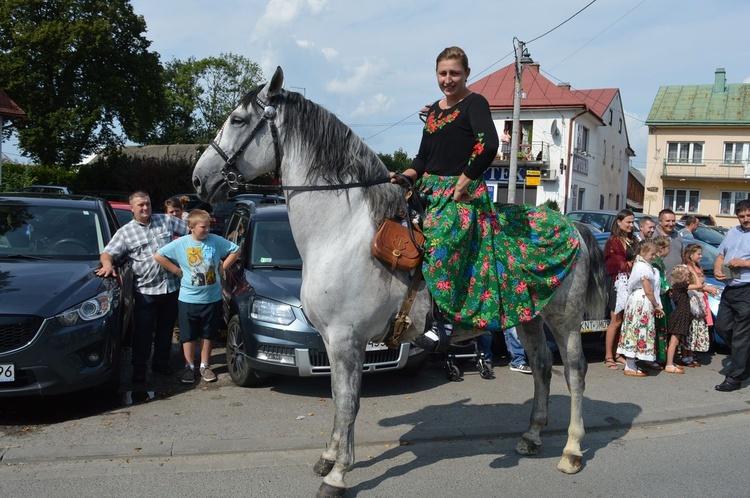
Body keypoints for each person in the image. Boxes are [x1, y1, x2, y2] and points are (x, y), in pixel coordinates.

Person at [390, 46, 579, 352]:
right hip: (428, 191)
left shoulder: (474, 103)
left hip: (461, 196)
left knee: (440, 242)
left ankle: (445, 324)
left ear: (466, 73)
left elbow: (489, 144)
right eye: (442, 73)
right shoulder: (435, 111)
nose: (448, 79)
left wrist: (465, 181)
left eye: (454, 73)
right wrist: (405, 176)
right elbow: (423, 158)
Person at [95, 191, 189, 383]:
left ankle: (161, 364)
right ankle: (139, 369)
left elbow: (191, 231)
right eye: (141, 205)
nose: (145, 208)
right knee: (143, 335)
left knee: (166, 330)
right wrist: (106, 265)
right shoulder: (125, 232)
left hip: (171, 288)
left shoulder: (166, 221)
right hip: (146, 292)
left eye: (147, 203)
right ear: (132, 208)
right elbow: (108, 253)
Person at [154, 209, 239, 384]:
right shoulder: (181, 244)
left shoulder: (215, 241)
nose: (207, 230)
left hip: (212, 297)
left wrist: (223, 268)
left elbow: (235, 250)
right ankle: (189, 367)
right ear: (191, 227)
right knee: (188, 334)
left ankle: (205, 365)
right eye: (203, 227)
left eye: (208, 226)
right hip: (188, 299)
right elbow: (159, 255)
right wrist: (177, 271)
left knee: (208, 334)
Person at [713, 199, 750, 392]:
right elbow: (720, 255)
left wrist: (743, 264)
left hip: (747, 289)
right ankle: (744, 358)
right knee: (722, 327)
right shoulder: (733, 231)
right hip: (730, 288)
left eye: (748, 216)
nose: (745, 219)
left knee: (741, 335)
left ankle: (735, 377)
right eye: (741, 216)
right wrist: (718, 269)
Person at [616, 240, 664, 377]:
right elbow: (648, 290)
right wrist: (656, 305)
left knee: (637, 329)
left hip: (640, 300)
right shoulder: (642, 267)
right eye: (652, 254)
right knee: (636, 329)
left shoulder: (642, 265)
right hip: (641, 300)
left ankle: (631, 364)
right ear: (643, 252)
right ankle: (629, 366)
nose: (654, 256)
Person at [602, 209, 638, 370]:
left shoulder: (633, 240)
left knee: (623, 321)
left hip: (631, 282)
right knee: (615, 320)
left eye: (632, 222)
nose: (631, 225)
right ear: (619, 222)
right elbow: (613, 264)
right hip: (617, 283)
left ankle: (618, 353)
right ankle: (608, 356)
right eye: (628, 222)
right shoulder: (613, 241)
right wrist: (630, 264)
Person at [681, 242, 719, 367]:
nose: (701, 256)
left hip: (700, 299)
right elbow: (687, 285)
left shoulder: (698, 267)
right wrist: (704, 288)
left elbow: (702, 283)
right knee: (690, 327)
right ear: (691, 255)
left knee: (696, 328)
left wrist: (709, 287)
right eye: (698, 254)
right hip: (692, 299)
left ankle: (691, 353)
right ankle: (685, 355)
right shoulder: (687, 268)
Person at [650, 235, 672, 369]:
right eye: (668, 248)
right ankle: (658, 357)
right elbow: (659, 283)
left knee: (661, 327)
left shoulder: (658, 261)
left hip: (661, 297)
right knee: (659, 327)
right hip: (659, 298)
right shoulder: (656, 262)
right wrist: (668, 287)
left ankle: (660, 356)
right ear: (662, 248)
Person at [665, 265, 690, 374]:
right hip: (679, 316)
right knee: (674, 341)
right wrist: (691, 270)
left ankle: (671, 362)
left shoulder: (678, 286)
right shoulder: (680, 286)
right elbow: (699, 284)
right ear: (681, 276)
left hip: (681, 315)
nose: (689, 277)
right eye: (687, 275)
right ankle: (669, 364)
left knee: (675, 340)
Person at [654, 208, 684, 275]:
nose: (671, 224)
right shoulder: (653, 237)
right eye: (667, 221)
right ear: (660, 221)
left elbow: (681, 255)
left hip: (677, 279)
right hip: (660, 280)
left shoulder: (677, 235)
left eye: (673, 221)